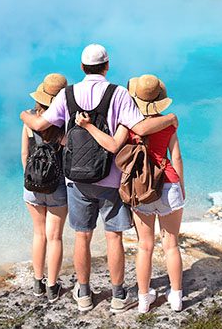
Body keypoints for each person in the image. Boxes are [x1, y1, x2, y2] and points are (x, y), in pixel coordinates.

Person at [19, 44, 177, 313]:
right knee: (113, 237)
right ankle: (117, 296)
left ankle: (83, 293)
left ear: (81, 67)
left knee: (82, 237)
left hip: (76, 180)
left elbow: (40, 125)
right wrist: (171, 119)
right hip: (111, 179)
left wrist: (24, 115)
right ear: (107, 66)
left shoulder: (67, 95)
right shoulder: (119, 93)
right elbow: (139, 127)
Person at [126, 75, 185, 313]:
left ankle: (143, 299)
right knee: (171, 245)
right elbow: (176, 157)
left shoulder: (130, 125)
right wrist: (181, 186)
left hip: (141, 188)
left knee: (145, 246)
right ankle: (177, 297)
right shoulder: (168, 123)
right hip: (169, 182)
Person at [20, 73, 69, 302]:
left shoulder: (29, 120)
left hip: (33, 185)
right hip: (58, 186)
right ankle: (52, 287)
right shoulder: (64, 122)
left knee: (38, 234)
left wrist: (32, 178)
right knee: (55, 237)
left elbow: (24, 154)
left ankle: (37, 283)